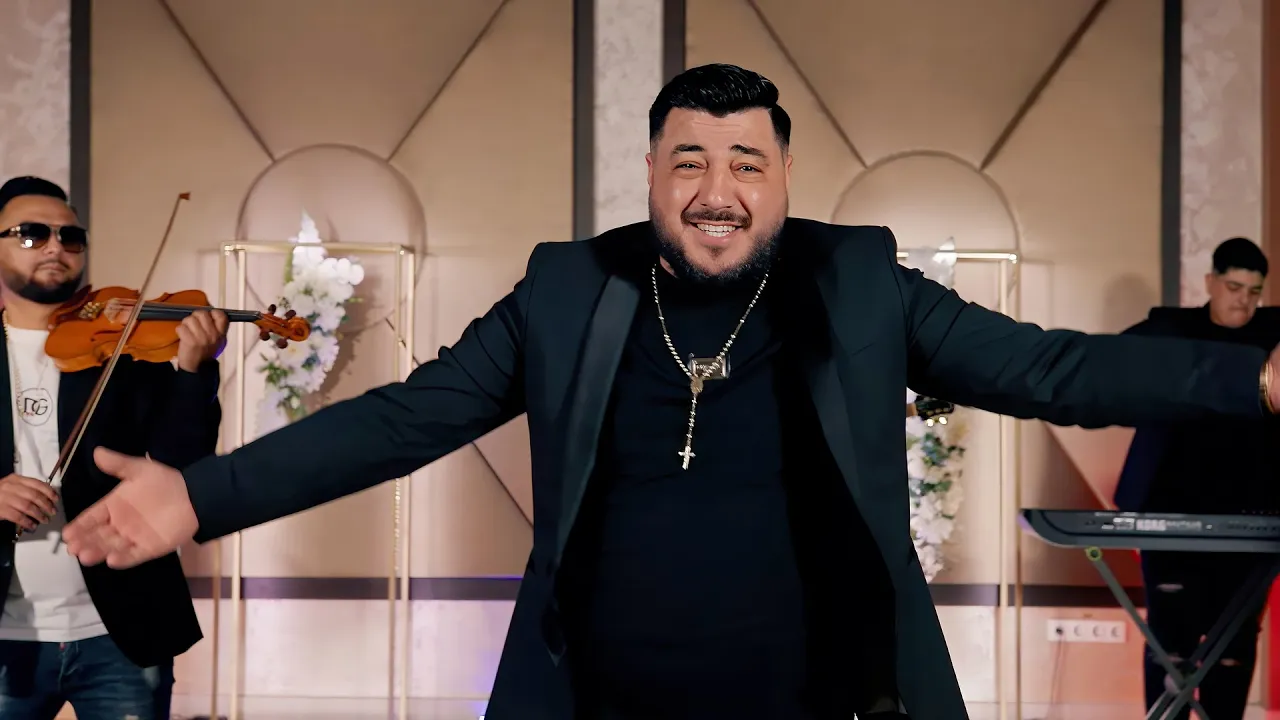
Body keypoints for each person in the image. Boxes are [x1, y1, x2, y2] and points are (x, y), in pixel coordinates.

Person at [61, 65, 1280, 720]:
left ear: (783, 176)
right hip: (598, 695)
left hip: (826, 699)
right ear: (649, 171)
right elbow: (404, 419)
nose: (715, 189)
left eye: (745, 161)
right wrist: (200, 498)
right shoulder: (567, 289)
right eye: (688, 159)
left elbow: (1048, 367)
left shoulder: (858, 282)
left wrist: (1255, 376)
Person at [0, 176, 227, 720]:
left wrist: (193, 370)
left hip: (120, 630)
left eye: (70, 236)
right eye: (32, 234)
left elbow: (182, 463)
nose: (55, 247)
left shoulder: (123, 348)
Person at [1113, 237, 1280, 720]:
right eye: (1234, 287)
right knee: (1170, 641)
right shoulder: (1171, 329)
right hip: (1171, 507)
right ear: (1210, 282)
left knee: (1236, 640)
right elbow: (1111, 362)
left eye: (1254, 291)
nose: (1243, 300)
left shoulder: (1274, 332)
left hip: (1252, 511)